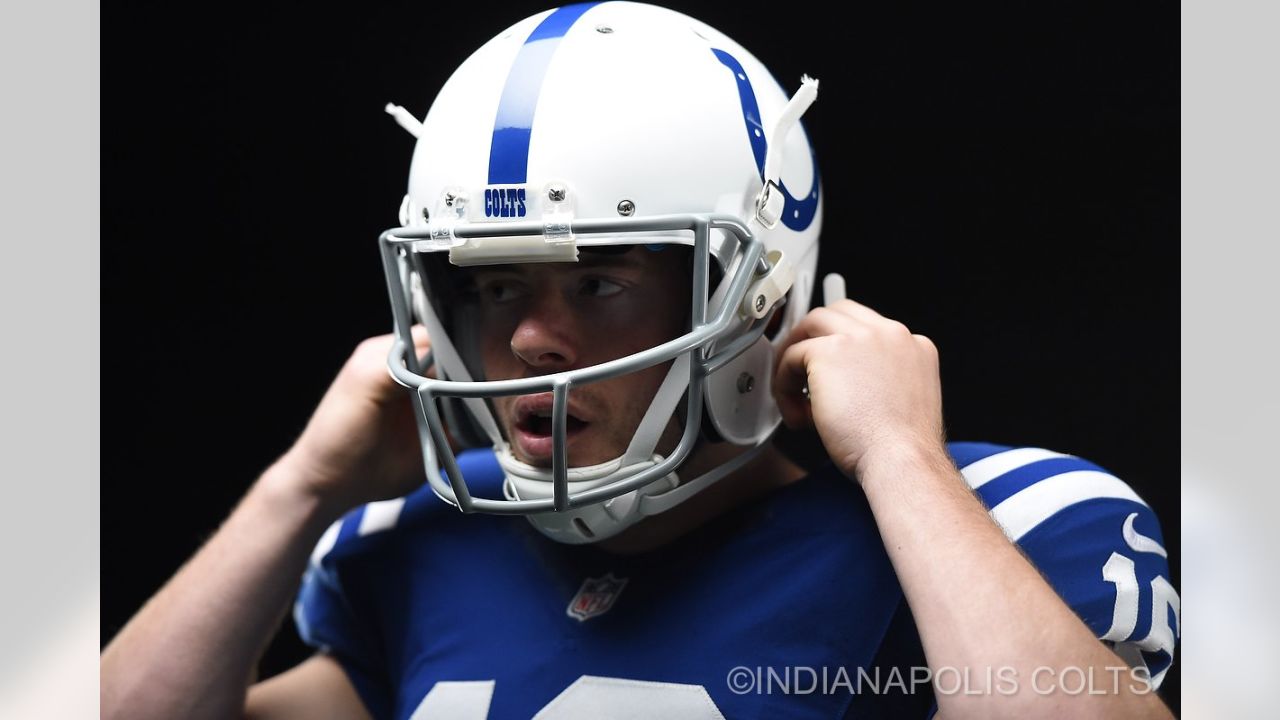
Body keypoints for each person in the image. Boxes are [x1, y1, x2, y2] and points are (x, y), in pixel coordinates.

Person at [101, 2, 1179, 718]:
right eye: (491, 285)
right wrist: (298, 490)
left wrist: (903, 461)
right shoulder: (417, 545)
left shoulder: (994, 524)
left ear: (755, 294)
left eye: (597, 281)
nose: (526, 339)